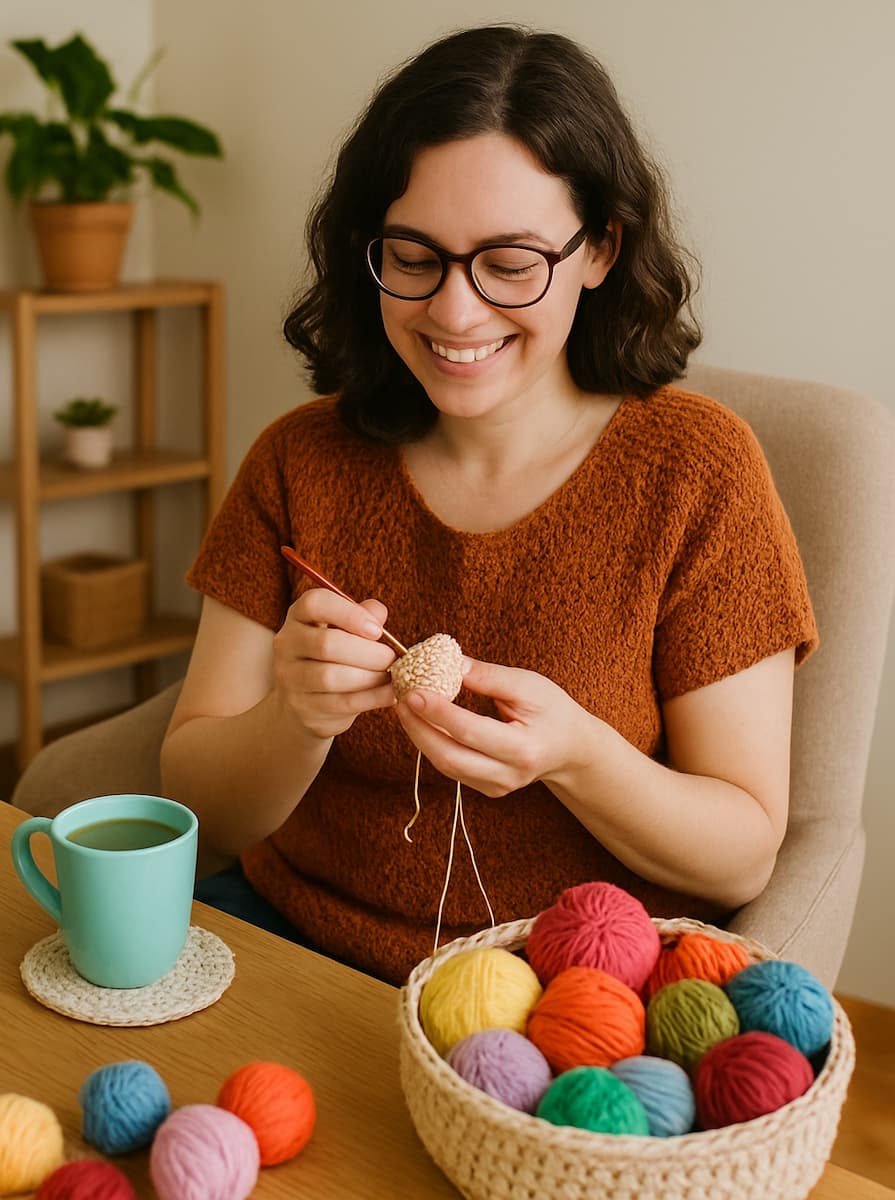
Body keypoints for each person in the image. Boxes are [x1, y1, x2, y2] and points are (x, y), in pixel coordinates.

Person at [160, 24, 817, 986]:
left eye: (510, 263)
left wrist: (576, 756)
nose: (455, 314)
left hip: (563, 990)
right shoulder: (299, 461)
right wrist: (294, 719)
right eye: (414, 256)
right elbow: (196, 809)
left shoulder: (697, 472)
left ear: (599, 248)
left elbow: (742, 852)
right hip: (291, 944)